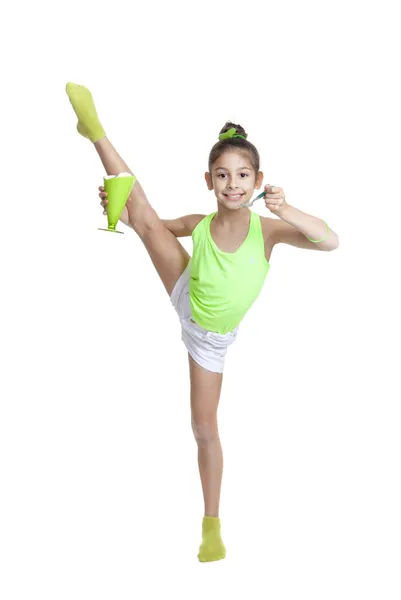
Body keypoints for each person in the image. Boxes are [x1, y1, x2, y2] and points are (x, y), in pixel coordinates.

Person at [65, 82, 339, 563]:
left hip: (208, 341)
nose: (232, 184)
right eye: (222, 175)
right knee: (146, 218)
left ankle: (211, 526)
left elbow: (329, 241)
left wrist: (286, 207)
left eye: (242, 175)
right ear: (208, 180)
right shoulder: (199, 224)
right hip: (185, 291)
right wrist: (121, 211)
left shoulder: (269, 230)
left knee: (203, 427)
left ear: (258, 181)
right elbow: (148, 223)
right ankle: (96, 132)